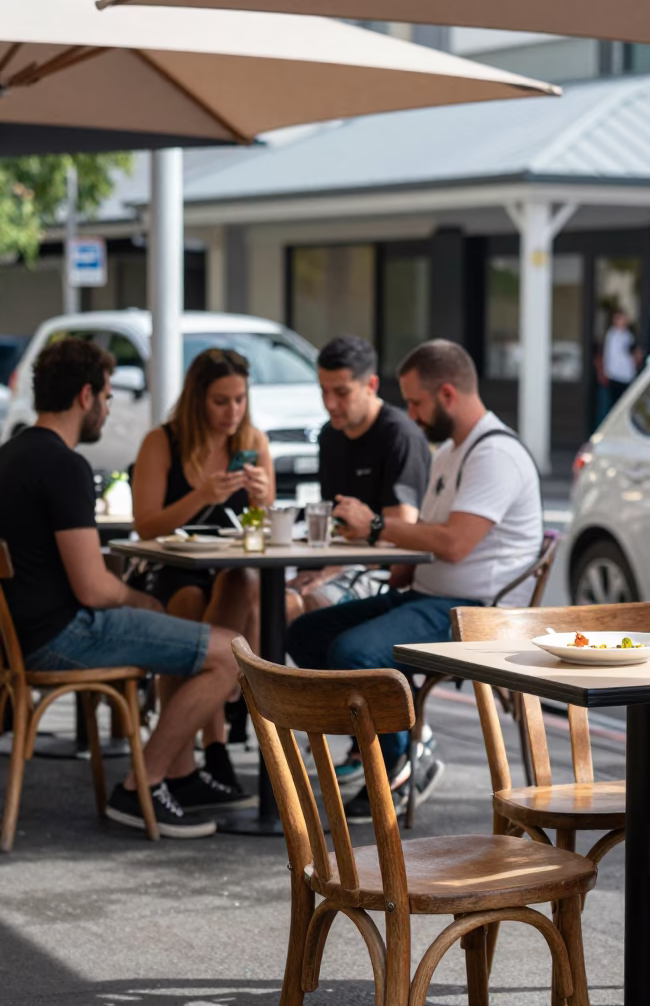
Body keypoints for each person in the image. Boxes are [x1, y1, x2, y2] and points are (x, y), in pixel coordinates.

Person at [287, 339, 543, 821]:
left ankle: (399, 756)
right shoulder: (449, 450)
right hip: (430, 595)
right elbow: (429, 540)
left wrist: (378, 526)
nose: (412, 413)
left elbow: (454, 543)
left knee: (356, 653)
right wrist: (390, 559)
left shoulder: (495, 454)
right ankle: (390, 743)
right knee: (306, 632)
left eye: (418, 402)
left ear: (447, 394)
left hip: (479, 613)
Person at [0, 338, 242, 838]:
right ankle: (142, 784)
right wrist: (143, 600)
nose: (108, 410)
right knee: (230, 654)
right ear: (86, 395)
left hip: (16, 641)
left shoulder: (9, 456)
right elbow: (92, 588)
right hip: (62, 636)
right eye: (108, 398)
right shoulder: (64, 465)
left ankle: (178, 774)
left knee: (188, 634)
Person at [131, 348, 275, 801]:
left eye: (239, 400)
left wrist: (263, 500)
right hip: (172, 567)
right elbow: (146, 524)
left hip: (232, 569)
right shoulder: (163, 441)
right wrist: (201, 495)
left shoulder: (252, 440)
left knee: (243, 583)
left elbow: (266, 531)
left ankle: (209, 752)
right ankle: (199, 755)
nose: (232, 412)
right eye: (220, 401)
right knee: (187, 608)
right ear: (197, 399)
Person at [285, 335, 430, 623]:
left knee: (299, 603)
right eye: (323, 392)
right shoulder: (329, 435)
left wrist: (331, 571)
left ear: (371, 385)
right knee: (256, 594)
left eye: (341, 392)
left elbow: (400, 534)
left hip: (385, 575)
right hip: (335, 562)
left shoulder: (399, 435)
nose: (330, 403)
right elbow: (334, 522)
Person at [600, 309, 638, 414]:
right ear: (615, 320)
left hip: (627, 376)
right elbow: (608, 355)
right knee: (613, 407)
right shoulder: (611, 335)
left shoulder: (629, 335)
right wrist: (605, 372)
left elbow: (631, 353)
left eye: (625, 319)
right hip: (615, 376)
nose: (623, 321)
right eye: (621, 319)